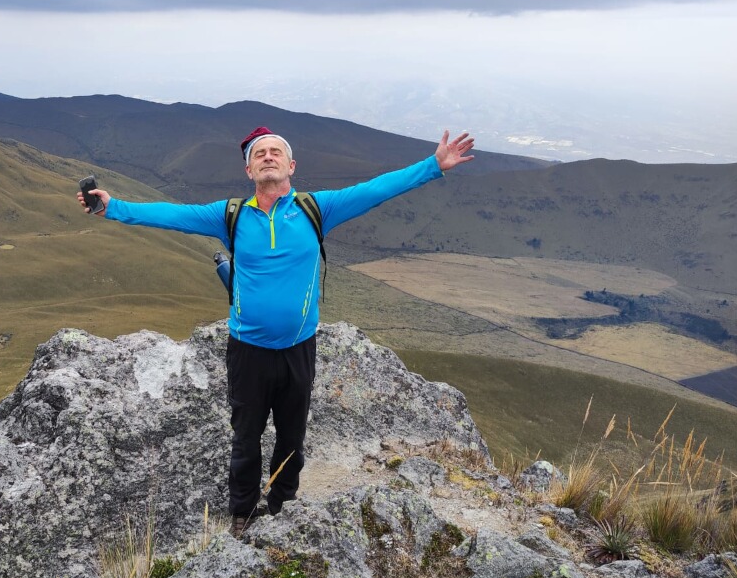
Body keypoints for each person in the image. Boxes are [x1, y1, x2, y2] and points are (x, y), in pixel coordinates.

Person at [78, 127, 475, 537]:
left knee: (292, 435)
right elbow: (171, 215)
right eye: (259, 154)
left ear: (291, 166)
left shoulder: (316, 208)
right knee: (246, 437)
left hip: (299, 349)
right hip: (247, 350)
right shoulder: (229, 215)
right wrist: (115, 208)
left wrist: (434, 166)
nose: (268, 157)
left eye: (275, 152)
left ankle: (284, 505)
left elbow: (376, 189)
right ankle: (243, 513)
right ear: (249, 169)